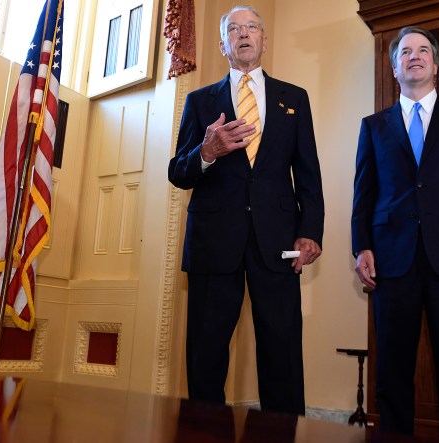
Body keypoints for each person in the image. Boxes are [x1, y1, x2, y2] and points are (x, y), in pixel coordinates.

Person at [167, 5, 324, 416]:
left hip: (277, 244)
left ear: (264, 40)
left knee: (283, 352)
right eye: (234, 29)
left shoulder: (295, 99)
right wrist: (207, 151)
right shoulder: (201, 102)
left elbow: (308, 174)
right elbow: (179, 173)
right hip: (213, 245)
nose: (244, 34)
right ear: (223, 45)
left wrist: (311, 231)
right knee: (205, 355)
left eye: (252, 27)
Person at [351, 27, 439, 441]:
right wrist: (361, 246)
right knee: (392, 373)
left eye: (423, 51)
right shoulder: (373, 126)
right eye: (405, 52)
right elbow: (364, 193)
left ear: (435, 64)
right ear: (394, 68)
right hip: (391, 261)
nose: (414, 57)